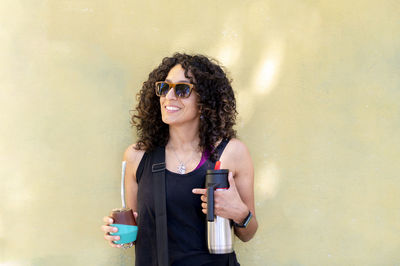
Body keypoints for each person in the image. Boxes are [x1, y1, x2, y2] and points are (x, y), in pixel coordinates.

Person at [101, 53, 258, 265]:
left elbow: (248, 233)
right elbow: (137, 231)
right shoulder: (137, 157)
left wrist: (239, 212)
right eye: (165, 88)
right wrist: (119, 235)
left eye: (182, 90)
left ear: (205, 101)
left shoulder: (232, 152)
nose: (169, 97)